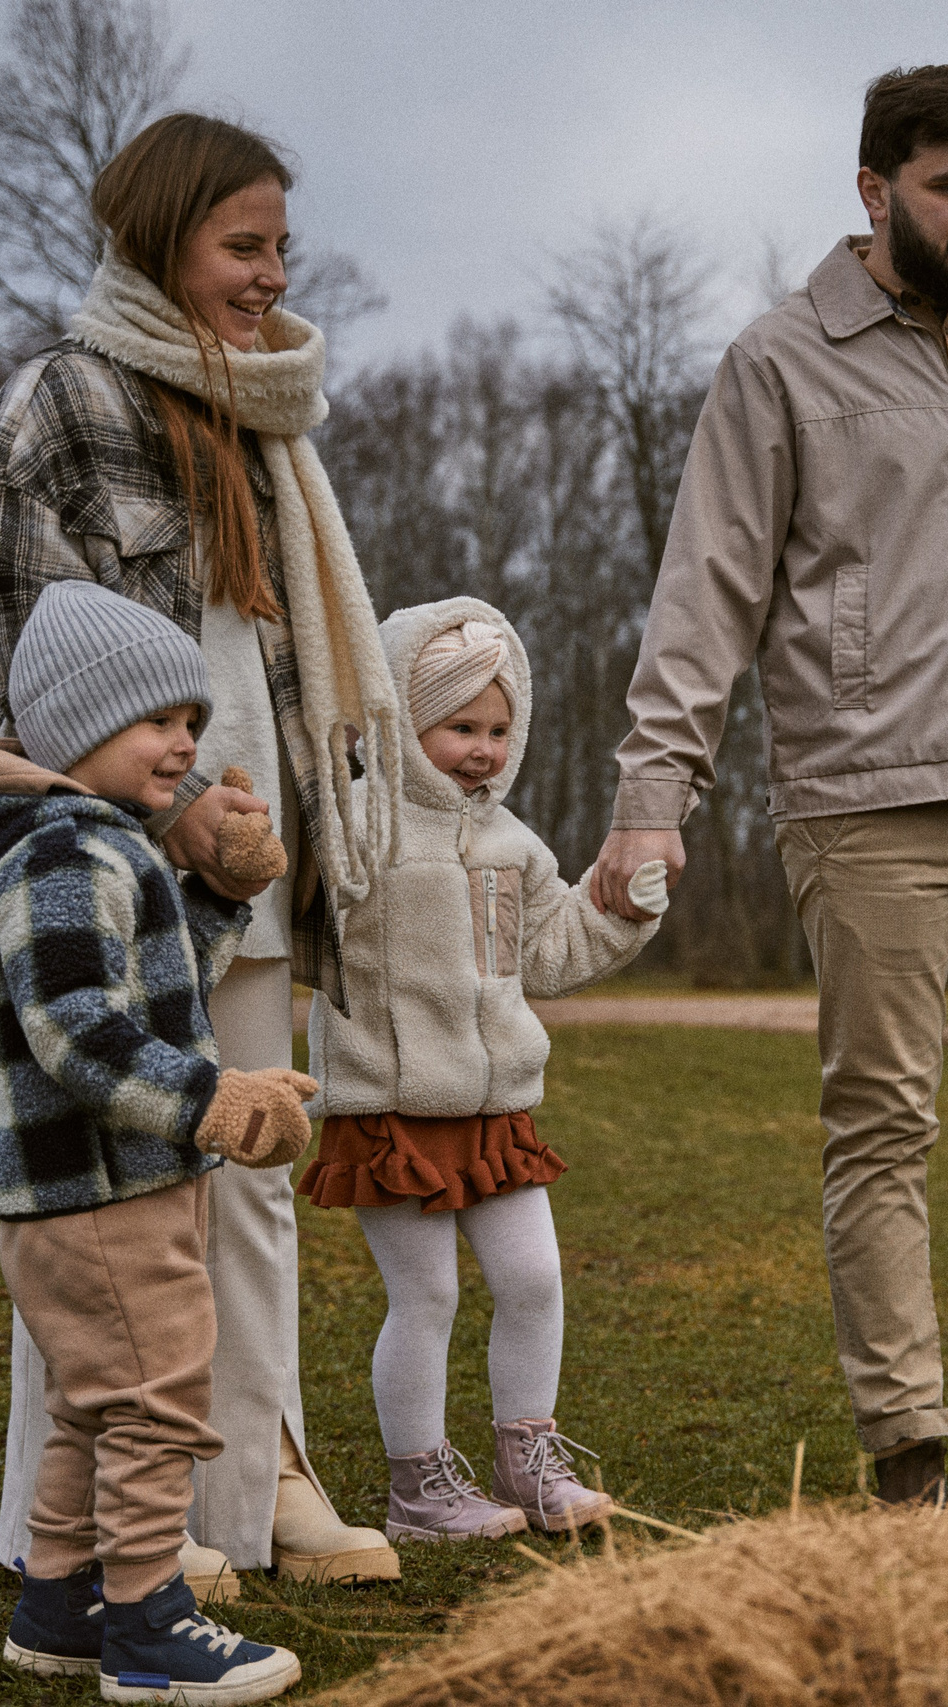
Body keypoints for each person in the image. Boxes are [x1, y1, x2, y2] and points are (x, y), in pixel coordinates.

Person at [589, 65, 948, 1508]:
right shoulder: (782, 364)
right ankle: (906, 1455)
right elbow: (705, 589)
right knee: (885, 1124)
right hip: (870, 802)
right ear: (874, 188)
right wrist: (657, 787)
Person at [0, 111, 403, 1591]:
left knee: (247, 1158)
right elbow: (27, 672)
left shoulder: (268, 418)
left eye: (280, 245)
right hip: (103, 843)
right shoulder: (59, 406)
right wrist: (170, 806)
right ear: (158, 240)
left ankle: (252, 1479)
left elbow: (270, 653)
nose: (270, 274)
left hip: (242, 845)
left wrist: (261, 828)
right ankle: (73, 1524)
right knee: (105, 1179)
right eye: (240, 245)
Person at [0, 580, 309, 1702]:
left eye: (192, 723)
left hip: (88, 1192)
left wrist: (218, 891)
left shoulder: (93, 842)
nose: (185, 746)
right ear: (80, 726)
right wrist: (217, 1102)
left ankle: (62, 1601)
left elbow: (153, 981)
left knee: (97, 1401)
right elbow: (80, 1035)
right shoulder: (59, 851)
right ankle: (148, 1626)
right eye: (159, 723)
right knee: (154, 1402)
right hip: (101, 1193)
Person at [299, 598, 670, 1540]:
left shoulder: (515, 847)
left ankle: (527, 1459)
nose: (484, 749)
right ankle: (419, 1487)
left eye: (500, 729)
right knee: (427, 1295)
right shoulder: (356, 830)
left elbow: (547, 954)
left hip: (497, 1107)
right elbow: (295, 920)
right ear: (404, 720)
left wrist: (622, 911)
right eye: (461, 725)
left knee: (536, 1278)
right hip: (390, 1104)